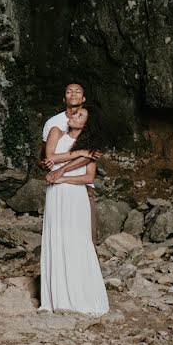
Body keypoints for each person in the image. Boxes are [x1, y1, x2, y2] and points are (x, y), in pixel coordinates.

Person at [38, 107, 109, 315]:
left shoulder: (91, 148)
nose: (74, 116)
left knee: (77, 240)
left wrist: (62, 176)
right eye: (74, 114)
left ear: (86, 125)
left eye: (80, 116)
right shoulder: (56, 133)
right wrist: (74, 155)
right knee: (56, 238)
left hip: (75, 195)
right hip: (55, 194)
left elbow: (88, 178)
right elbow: (48, 157)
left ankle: (80, 296)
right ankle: (55, 299)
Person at [39, 83, 100, 245]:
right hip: (58, 184)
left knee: (86, 234)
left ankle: (86, 266)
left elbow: (91, 156)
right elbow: (45, 156)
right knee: (58, 232)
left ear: (84, 97)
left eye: (78, 91)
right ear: (63, 97)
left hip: (81, 186)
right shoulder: (54, 123)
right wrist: (49, 164)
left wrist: (63, 171)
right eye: (69, 91)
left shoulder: (90, 122)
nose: (73, 94)